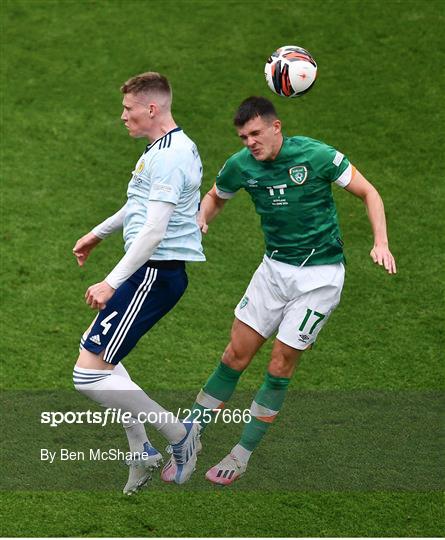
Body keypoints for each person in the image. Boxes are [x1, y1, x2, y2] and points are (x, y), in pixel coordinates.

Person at [161, 96, 396, 486]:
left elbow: (369, 192)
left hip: (319, 280)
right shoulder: (241, 166)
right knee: (234, 355)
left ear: (276, 127)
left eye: (255, 133)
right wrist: (202, 218)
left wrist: (381, 242)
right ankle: (190, 436)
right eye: (242, 137)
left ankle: (241, 454)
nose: (249, 142)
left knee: (279, 364)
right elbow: (216, 196)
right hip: (272, 272)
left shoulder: (317, 156)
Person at [72, 72, 204, 493]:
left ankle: (179, 435)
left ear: (151, 109)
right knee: (97, 356)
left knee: (87, 376)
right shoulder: (162, 148)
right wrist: (99, 233)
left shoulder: (169, 157)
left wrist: (111, 282)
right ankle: (140, 450)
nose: (123, 117)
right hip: (152, 273)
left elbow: (153, 231)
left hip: (154, 275)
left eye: (128, 109)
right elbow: (137, 205)